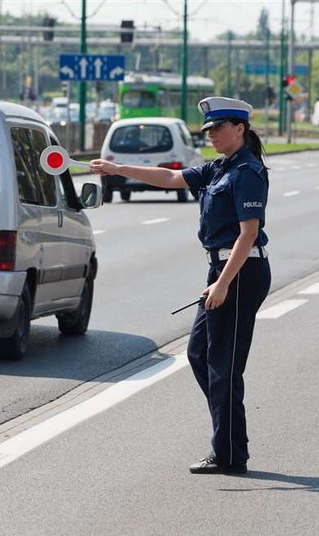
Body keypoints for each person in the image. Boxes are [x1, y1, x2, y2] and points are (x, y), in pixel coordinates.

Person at [89, 96, 271, 475]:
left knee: (223, 365)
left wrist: (223, 284)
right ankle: (231, 440)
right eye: (208, 131)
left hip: (240, 274)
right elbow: (171, 178)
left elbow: (249, 234)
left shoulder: (248, 171)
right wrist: (116, 168)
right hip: (221, 272)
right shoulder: (220, 168)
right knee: (200, 355)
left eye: (218, 129)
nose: (212, 136)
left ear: (239, 129)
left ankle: (230, 453)